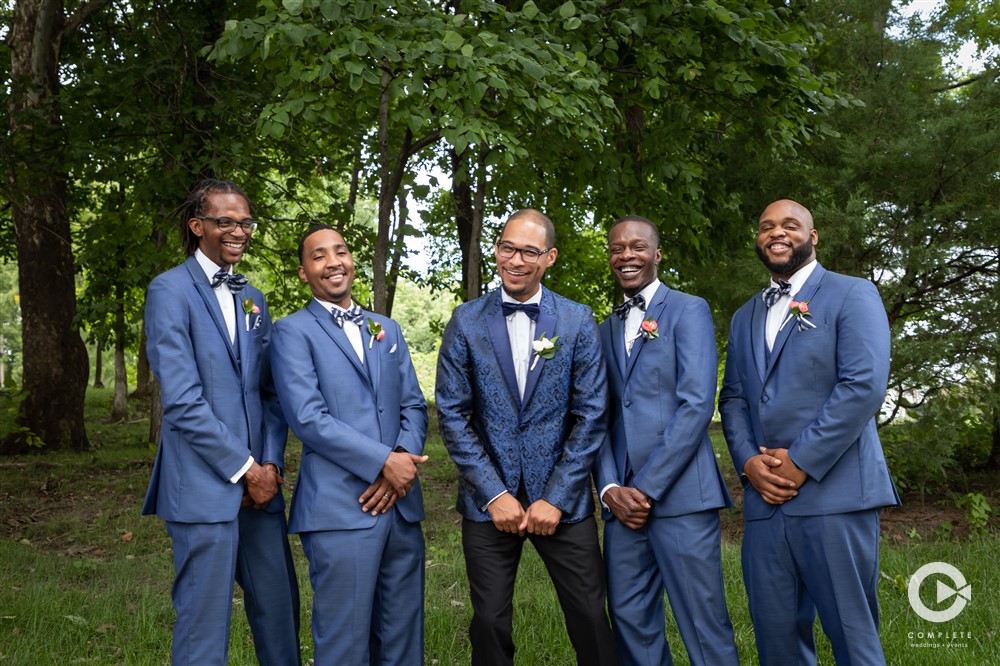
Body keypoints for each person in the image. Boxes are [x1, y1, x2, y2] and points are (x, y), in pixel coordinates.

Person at [719, 199, 900, 665]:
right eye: (766, 227)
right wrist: (747, 462)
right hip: (765, 504)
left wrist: (800, 461)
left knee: (853, 640)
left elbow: (862, 386)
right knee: (777, 643)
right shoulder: (744, 316)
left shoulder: (851, 293)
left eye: (789, 225)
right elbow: (734, 398)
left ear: (812, 236)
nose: (776, 233)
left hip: (833, 495)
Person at [436, 209, 619, 666]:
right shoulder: (466, 320)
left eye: (529, 251)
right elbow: (453, 416)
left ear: (550, 257)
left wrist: (555, 497)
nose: (515, 260)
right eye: (506, 248)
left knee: (590, 618)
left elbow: (592, 414)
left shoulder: (576, 321)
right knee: (490, 623)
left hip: (563, 501)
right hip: (489, 501)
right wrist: (494, 493)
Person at [142, 178, 300, 665]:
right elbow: (184, 401)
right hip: (203, 486)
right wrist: (245, 469)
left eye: (245, 221)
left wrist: (270, 465)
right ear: (198, 226)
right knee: (203, 624)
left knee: (280, 613)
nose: (239, 230)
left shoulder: (254, 297)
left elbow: (270, 394)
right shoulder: (169, 291)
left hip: (263, 490)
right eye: (226, 221)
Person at [269, 224, 428, 665]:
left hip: (401, 506)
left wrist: (401, 465)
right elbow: (308, 418)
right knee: (345, 643)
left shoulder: (386, 329)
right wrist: (381, 462)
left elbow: (413, 406)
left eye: (340, 251)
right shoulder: (291, 333)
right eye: (319, 256)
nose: (333, 261)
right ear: (304, 272)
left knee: (402, 640)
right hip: (340, 508)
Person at [593, 216, 740, 666]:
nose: (626, 256)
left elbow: (696, 403)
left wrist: (647, 487)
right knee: (629, 616)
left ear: (656, 254)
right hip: (622, 505)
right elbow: (598, 414)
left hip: (679, 495)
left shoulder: (687, 308)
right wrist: (610, 488)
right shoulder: (602, 329)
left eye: (637, 247)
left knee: (702, 618)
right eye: (617, 249)